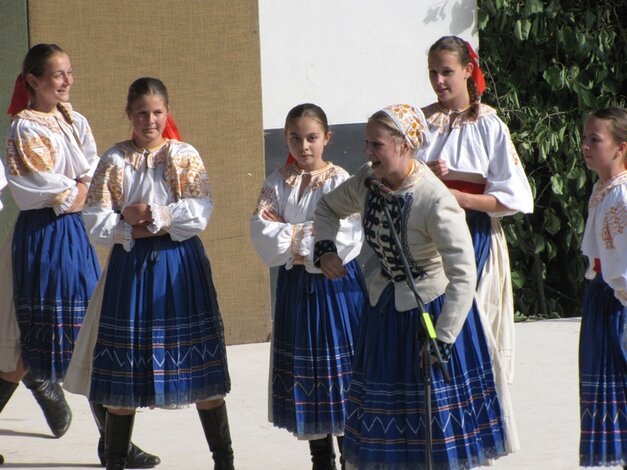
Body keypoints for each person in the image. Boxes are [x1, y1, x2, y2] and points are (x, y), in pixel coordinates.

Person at [314, 104, 510, 469]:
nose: (367, 152)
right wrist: (325, 248)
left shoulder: (434, 200)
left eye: (376, 145)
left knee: (432, 425)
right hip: (383, 311)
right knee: (387, 419)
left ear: (405, 145)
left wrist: (446, 337)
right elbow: (327, 208)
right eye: (367, 143)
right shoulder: (367, 181)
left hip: (431, 316)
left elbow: (464, 273)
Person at [0, 44, 160, 469]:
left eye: (69, 71)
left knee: (91, 335)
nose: (68, 81)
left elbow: (96, 174)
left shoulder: (75, 119)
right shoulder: (24, 129)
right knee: (24, 349)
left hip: (74, 235)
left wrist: (82, 189)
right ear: (34, 81)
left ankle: (115, 444)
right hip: (42, 240)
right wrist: (82, 189)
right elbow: (50, 190)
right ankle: (116, 444)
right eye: (58, 75)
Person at [63, 77, 234, 470]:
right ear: (129, 114)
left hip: (179, 268)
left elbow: (199, 211)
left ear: (167, 112)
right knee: (122, 381)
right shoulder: (114, 160)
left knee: (199, 371)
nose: (150, 120)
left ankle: (224, 462)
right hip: (131, 270)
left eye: (157, 112)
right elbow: (96, 221)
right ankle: (116, 463)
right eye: (141, 113)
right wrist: (135, 223)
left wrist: (148, 217)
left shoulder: (184, 155)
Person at [417, 35, 534, 452]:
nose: (438, 80)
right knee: (429, 335)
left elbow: (514, 197)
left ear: (468, 70)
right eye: (432, 72)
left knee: (471, 335)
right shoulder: (419, 122)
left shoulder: (489, 124)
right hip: (424, 242)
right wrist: (422, 175)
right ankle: (439, 437)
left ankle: (477, 439)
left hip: (474, 239)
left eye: (446, 71)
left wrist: (458, 197)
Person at [250, 103, 367, 469]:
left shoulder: (341, 180)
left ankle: (352, 455)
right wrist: (313, 242)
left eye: (312, 138)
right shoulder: (276, 182)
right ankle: (320, 458)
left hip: (337, 290)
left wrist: (294, 240)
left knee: (343, 371)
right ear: (286, 138)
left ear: (327, 138)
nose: (304, 146)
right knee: (308, 372)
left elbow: (347, 237)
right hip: (296, 291)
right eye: (295, 138)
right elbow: (262, 232)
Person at [578, 107, 626, 468]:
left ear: (620, 148)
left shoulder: (621, 199)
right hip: (602, 297)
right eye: (585, 138)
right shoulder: (602, 189)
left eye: (595, 139)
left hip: (618, 304)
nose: (586, 146)